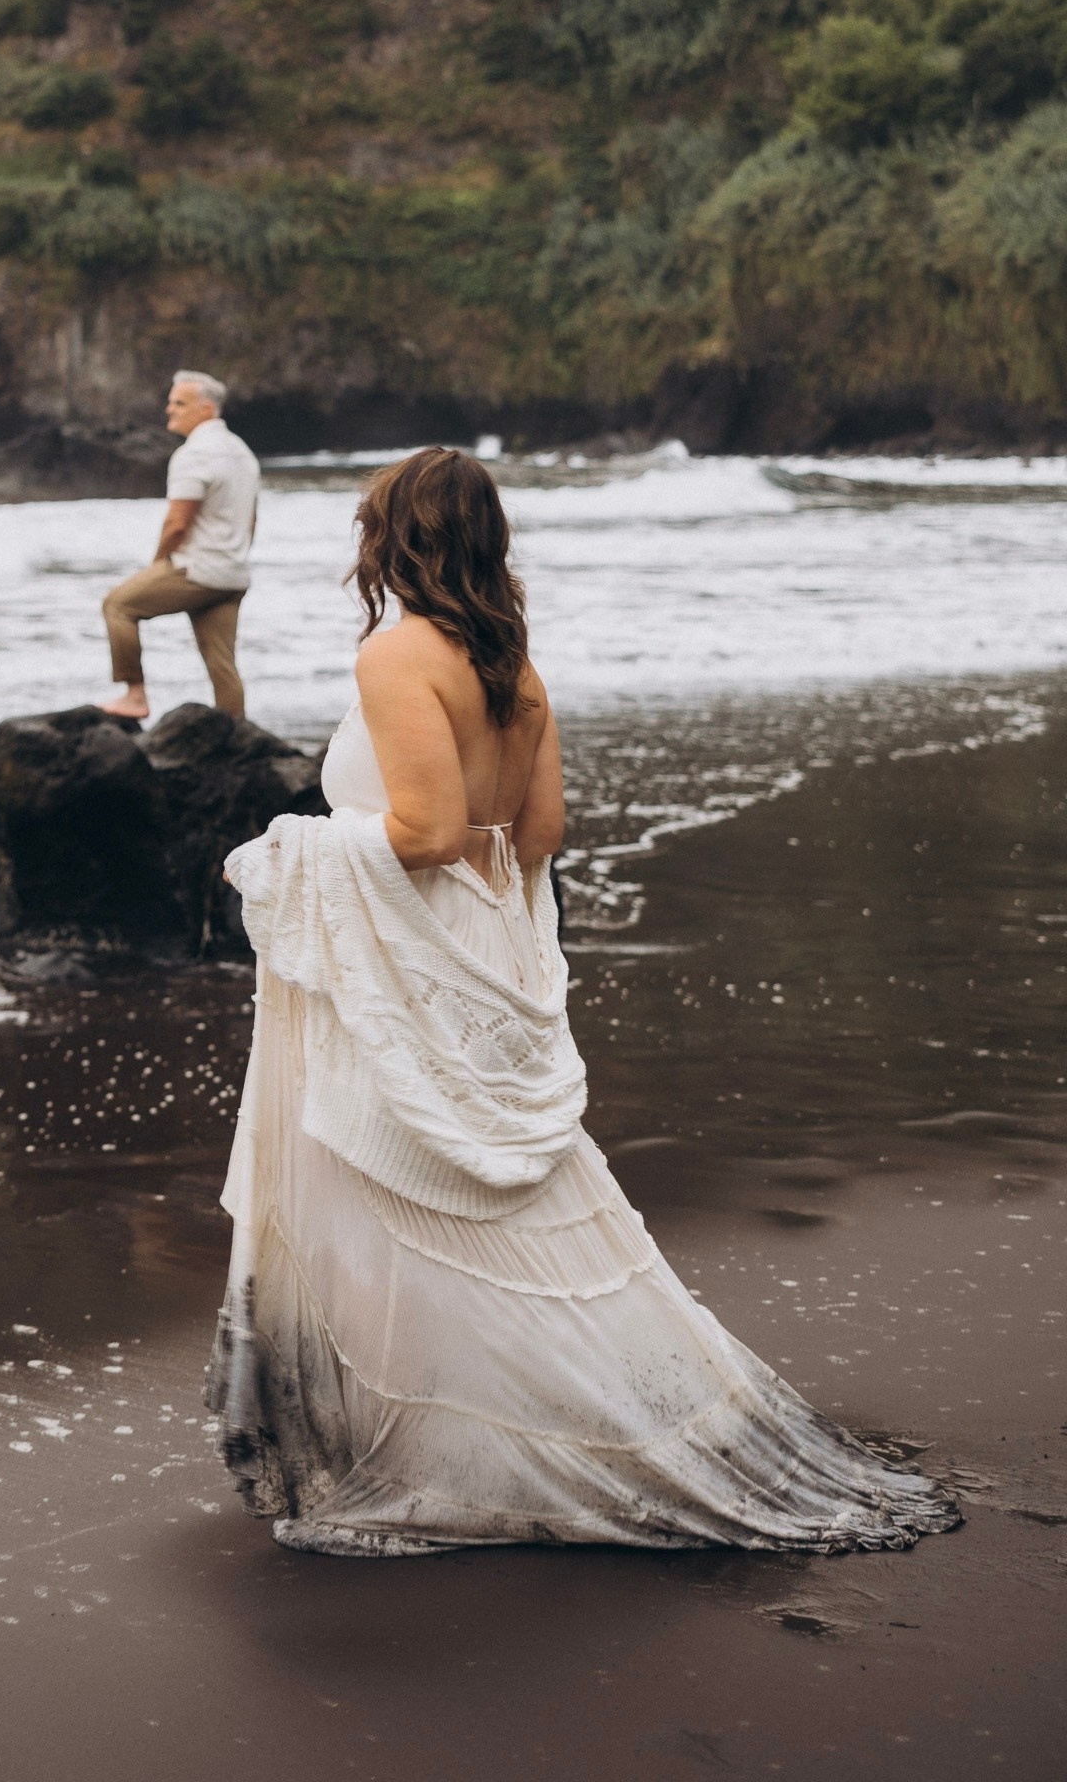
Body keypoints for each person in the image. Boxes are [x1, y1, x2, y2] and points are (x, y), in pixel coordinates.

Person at [209, 444, 959, 1558]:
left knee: (389, 1189)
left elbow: (415, 834)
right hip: (487, 931)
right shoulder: (511, 660)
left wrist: (290, 850)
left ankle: (424, 1444)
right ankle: (565, 1408)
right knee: (505, 1203)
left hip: (410, 945)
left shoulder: (396, 653)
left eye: (368, 524)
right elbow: (539, 835)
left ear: (392, 537)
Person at [98, 370, 260, 723]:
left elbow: (177, 523)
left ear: (206, 409)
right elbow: (250, 521)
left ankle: (134, 695)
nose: (170, 409)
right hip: (233, 574)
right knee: (222, 663)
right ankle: (237, 735)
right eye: (170, 401)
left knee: (118, 606)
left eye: (179, 403)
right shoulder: (243, 454)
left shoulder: (194, 454)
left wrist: (158, 565)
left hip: (198, 571)